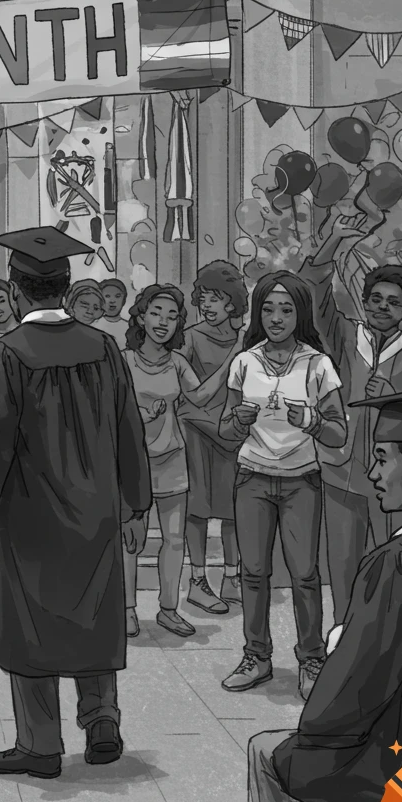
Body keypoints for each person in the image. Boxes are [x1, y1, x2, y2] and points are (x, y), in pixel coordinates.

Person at [0, 227, 151, 777]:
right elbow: (129, 428)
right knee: (93, 615)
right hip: (97, 511)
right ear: (66, 288)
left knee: (30, 627)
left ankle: (40, 745)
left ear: (15, 290)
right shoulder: (103, 347)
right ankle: (102, 722)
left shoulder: (6, 353)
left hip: (28, 516)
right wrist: (136, 504)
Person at [248, 388, 402, 802]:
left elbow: (341, 703)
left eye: (381, 458)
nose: (372, 474)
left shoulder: (399, 562)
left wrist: (337, 652)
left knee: (268, 751)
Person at [300, 213, 402, 623]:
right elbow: (313, 289)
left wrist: (392, 398)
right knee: (342, 568)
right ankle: (343, 638)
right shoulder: (345, 336)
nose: (382, 307)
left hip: (391, 479)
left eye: (393, 302)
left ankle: (384, 645)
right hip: (341, 471)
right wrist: (334, 239)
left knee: (390, 568)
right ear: (364, 300)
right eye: (376, 299)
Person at [219, 271, 348, 702]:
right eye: (268, 309)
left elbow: (338, 432)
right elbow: (226, 429)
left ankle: (311, 659)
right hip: (251, 478)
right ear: (258, 313)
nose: (276, 318)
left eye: (287, 310)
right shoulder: (245, 362)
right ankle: (257, 657)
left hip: (301, 482)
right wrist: (238, 421)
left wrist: (309, 419)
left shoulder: (317, 364)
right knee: (253, 573)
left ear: (300, 315)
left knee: (305, 575)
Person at [122, 284, 243, 638]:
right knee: (131, 541)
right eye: (156, 313)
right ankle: (127, 610)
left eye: (172, 316)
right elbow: (110, 407)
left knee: (174, 540)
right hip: (133, 462)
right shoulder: (123, 359)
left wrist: (231, 360)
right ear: (141, 318)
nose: (164, 322)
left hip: (173, 460)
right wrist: (141, 413)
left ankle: (168, 609)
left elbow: (200, 395)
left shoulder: (177, 362)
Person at [182, 261, 250, 609]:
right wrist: (232, 359)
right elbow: (191, 393)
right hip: (195, 431)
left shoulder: (246, 339)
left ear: (232, 302)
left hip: (234, 433)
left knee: (232, 508)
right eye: (204, 297)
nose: (207, 305)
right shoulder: (190, 337)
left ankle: (231, 577)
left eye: (216, 298)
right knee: (197, 507)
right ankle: (197, 579)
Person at [96, 278, 130, 343]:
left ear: (124, 300)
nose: (112, 301)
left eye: (117, 296)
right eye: (107, 296)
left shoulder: (130, 327)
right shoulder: (94, 325)